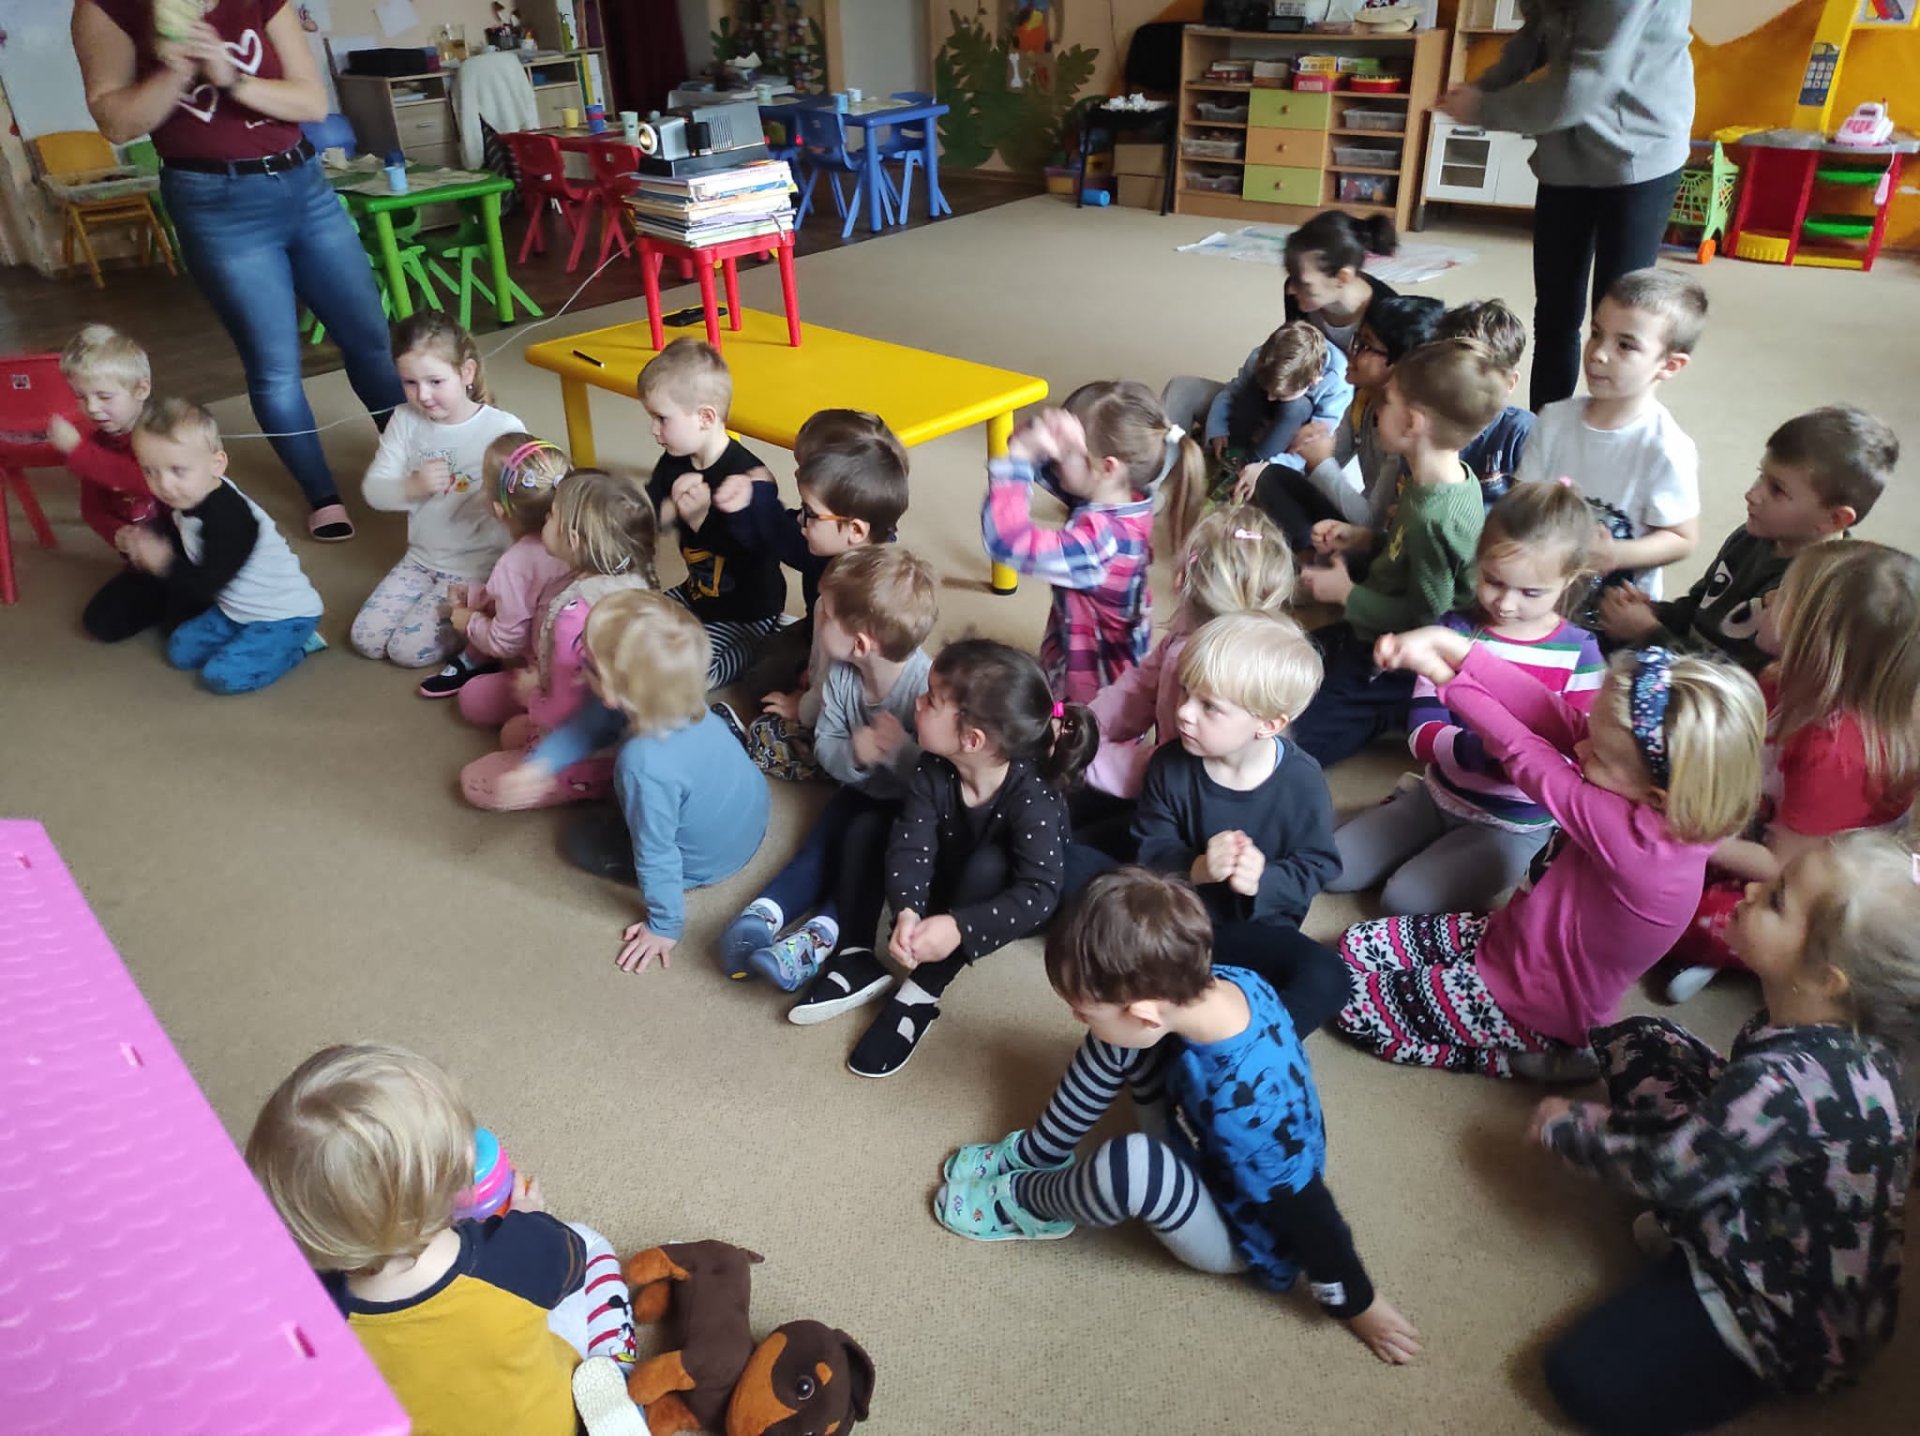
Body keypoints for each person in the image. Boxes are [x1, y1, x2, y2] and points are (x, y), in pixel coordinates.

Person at [934, 868, 1423, 1366]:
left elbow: (1314, 1220)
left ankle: (1028, 1201)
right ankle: (1043, 1150)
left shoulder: (1257, 1120)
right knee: (1113, 1041)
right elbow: (1135, 1032)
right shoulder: (1222, 982)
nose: (1077, 1018)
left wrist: (1360, 1305)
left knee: (1130, 1168)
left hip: (1234, 1229)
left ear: (1147, 1014)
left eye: (1082, 1011)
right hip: (1196, 1124)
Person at [1535, 831, 1920, 1436]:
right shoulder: (1853, 1039)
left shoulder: (1785, 1084)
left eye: (1778, 900)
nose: (1753, 887)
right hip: (1781, 1200)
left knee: (1581, 1376)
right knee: (1645, 1040)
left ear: (1828, 979)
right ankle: (1695, 1229)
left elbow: (1668, 1170)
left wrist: (1571, 1129)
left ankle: (1714, 1299)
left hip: (1789, 1318)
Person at [1335, 633, 1765, 1079]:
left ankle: (1529, 1056)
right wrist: (1457, 648)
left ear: (1657, 796)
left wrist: (1441, 674)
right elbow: (1549, 711)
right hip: (1508, 939)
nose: (1580, 749)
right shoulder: (1650, 783)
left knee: (1347, 1004)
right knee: (1354, 946)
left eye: (1597, 755)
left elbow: (1523, 753)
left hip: (1533, 1002)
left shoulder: (1639, 842)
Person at [74, 0, 405, 540]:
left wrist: (231, 78)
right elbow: (115, 121)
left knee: (370, 341)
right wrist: (178, 66)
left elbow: (312, 100)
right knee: (275, 366)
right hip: (214, 203)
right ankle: (323, 497)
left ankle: (414, 458)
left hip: (304, 185)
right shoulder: (104, 6)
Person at [246, 1043, 637, 1436]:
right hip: (548, 1424)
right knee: (588, 1243)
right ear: (461, 1190)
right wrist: (529, 1217)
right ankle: (617, 1368)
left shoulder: (319, 1319)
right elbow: (570, 1263)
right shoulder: (518, 1251)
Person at [795, 640, 1094, 1078]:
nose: (917, 702)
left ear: (972, 740)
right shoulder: (933, 766)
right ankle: (856, 955)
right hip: (946, 867)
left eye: (931, 700)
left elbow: (1039, 894)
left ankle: (921, 992)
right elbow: (911, 844)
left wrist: (959, 927)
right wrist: (908, 910)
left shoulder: (1035, 797)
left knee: (988, 865)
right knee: (865, 828)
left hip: (999, 898)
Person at [1328, 480, 1603, 916]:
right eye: (1492, 581)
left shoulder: (1580, 654)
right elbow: (1422, 731)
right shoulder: (1455, 629)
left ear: (1569, 578)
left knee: (1403, 899)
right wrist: (1487, 752)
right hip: (1440, 795)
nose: (1505, 604)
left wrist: (1501, 754)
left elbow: (1580, 755)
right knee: (1334, 868)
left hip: (1514, 825)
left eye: (1531, 592)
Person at [1664, 541, 1920, 1001]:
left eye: (1782, 595)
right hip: (1768, 825)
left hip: (1797, 880)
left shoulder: (1836, 754)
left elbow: (1784, 867)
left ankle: (1737, 952)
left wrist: (1693, 835)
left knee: (1660, 893)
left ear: (1813, 642)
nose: (1766, 597)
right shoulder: (1791, 679)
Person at [1437, 0, 1696, 410]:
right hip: (1567, 153)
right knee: (1555, 313)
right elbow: (1535, 34)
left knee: (1622, 317)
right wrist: (1485, 86)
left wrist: (1483, 108)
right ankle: (1546, 423)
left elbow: (1582, 87)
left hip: (1639, 152)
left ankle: (1608, 427)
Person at [501, 590, 770, 974]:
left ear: (614, 694)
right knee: (633, 766)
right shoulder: (677, 694)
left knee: (579, 839)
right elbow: (590, 722)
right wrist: (540, 765)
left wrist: (665, 925)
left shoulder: (642, 765)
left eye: (586, 664)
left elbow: (656, 851)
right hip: (753, 809)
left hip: (705, 861)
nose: (576, 671)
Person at [720, 546, 938, 995]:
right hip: (858, 787)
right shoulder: (842, 675)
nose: (817, 617)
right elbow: (826, 745)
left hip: (914, 813)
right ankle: (765, 913)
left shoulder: (928, 689)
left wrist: (899, 752)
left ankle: (819, 937)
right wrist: (855, 754)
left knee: (864, 861)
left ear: (860, 644)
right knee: (819, 845)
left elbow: (943, 781)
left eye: (826, 615)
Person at [1288, 338, 1508, 769]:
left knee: (1292, 746)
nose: (1376, 407)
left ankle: (1403, 706)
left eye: (1386, 400)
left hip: (1400, 655)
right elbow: (1405, 548)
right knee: (1285, 656)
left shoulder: (1435, 516)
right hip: (1376, 618)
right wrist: (1362, 538)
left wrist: (1345, 594)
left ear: (1411, 423)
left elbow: (1429, 618)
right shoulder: (1443, 478)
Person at [1599, 405, 1899, 673]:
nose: (1752, 494)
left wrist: (1648, 632)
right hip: (1676, 662)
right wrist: (1657, 613)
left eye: (1777, 490)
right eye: (1761, 476)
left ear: (1834, 519)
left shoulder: (1808, 594)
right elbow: (1699, 607)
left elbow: (1738, 686)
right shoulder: (1751, 536)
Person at [710, 408, 911, 779]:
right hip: (821, 646)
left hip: (846, 684)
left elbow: (843, 678)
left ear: (855, 530)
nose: (801, 522)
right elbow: (785, 534)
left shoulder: (866, 595)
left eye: (809, 512)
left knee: (766, 697)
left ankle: (789, 745)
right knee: (765, 664)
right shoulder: (840, 541)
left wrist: (803, 704)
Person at [980, 381, 1206, 703]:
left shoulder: (1100, 543)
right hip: (1095, 654)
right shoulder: (1129, 498)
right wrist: (1040, 435)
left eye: (1063, 455)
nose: (1054, 459)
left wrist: (1018, 457)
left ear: (1107, 467)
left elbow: (1006, 541)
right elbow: (1045, 469)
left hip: (1094, 687)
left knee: (1071, 730)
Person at [84, 396, 323, 694]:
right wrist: (143, 537)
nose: (163, 485)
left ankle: (297, 647)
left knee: (221, 677)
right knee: (180, 652)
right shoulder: (190, 495)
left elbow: (204, 586)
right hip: (233, 609)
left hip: (283, 615)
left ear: (216, 464)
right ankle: (254, 643)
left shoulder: (230, 519)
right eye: (150, 471)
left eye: (177, 470)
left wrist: (162, 561)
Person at [1080, 505, 1295, 831]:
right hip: (1157, 773)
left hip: (1183, 813)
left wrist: (1082, 756)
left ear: (1183, 581)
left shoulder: (1211, 675)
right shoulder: (1185, 634)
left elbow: (1165, 767)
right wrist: (1085, 725)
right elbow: (1137, 688)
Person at [458, 468, 659, 811]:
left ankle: (587, 777)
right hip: (581, 702)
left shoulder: (576, 615)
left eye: (551, 515)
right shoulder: (614, 575)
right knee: (485, 709)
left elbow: (568, 705)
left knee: (476, 782)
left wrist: (534, 697)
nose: (544, 519)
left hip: (591, 731)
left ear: (575, 540)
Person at [1515, 268, 1704, 611]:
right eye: (1596, 334)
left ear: (1670, 366)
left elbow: (1681, 539)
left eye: (1625, 345)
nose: (1598, 353)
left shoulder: (1667, 448)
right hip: (1536, 598)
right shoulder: (1554, 419)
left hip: (1612, 614)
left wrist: (1615, 554)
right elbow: (1520, 501)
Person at [354, 315, 521, 669]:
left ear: (467, 372)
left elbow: (525, 502)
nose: (423, 395)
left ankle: (479, 626)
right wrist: (410, 487)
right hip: (419, 559)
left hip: (475, 566)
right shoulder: (404, 420)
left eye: (435, 381)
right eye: (410, 382)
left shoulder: (502, 428)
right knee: (366, 640)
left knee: (406, 651)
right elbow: (374, 490)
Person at [1246, 295, 1444, 553]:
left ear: (1398, 364)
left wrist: (1321, 462)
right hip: (1355, 522)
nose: (1352, 350)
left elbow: (1372, 522)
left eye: (1365, 345)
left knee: (1306, 528)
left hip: (1381, 545)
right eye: (1356, 339)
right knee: (1271, 477)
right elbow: (1332, 458)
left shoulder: (1402, 436)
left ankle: (1312, 561)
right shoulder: (1363, 401)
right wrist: (1304, 453)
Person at [639, 339, 786, 686]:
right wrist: (668, 510)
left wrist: (700, 519)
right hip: (696, 593)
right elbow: (655, 507)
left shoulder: (748, 477)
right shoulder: (673, 460)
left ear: (705, 417)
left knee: (691, 676)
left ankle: (765, 642)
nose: (654, 429)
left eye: (662, 418)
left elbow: (755, 550)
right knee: (631, 625)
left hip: (746, 609)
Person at [420, 435, 573, 699]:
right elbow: (537, 593)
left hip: (553, 670)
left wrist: (470, 622)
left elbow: (507, 642)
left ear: (498, 509)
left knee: (473, 700)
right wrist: (477, 595)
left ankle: (481, 662)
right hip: (584, 646)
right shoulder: (582, 532)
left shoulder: (514, 563)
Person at [1160, 320, 1352, 499]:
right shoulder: (1261, 357)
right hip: (1253, 418)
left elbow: (1313, 443)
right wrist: (1218, 429)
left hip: (1290, 434)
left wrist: (1267, 467)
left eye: (1279, 395)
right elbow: (1231, 392)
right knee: (1250, 387)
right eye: (1269, 390)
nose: (1271, 397)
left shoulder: (1337, 382)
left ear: (1314, 381)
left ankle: (1248, 467)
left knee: (1298, 407)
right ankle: (1231, 456)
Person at [45, 325, 159, 559]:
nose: (92, 408)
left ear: (141, 389)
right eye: (80, 396)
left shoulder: (164, 431)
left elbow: (149, 482)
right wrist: (116, 533)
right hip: (143, 553)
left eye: (104, 396)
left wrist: (78, 451)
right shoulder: (96, 446)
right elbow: (92, 509)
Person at [1431, 300, 1534, 506]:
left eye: (1477, 380)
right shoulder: (1429, 424)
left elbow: (1530, 515)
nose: (1462, 390)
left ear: (1510, 383)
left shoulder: (1522, 432)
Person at [1280, 209, 1401, 353]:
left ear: (1342, 278)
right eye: (1292, 275)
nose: (1291, 289)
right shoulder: (1298, 298)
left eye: (1303, 283)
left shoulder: (1390, 316)